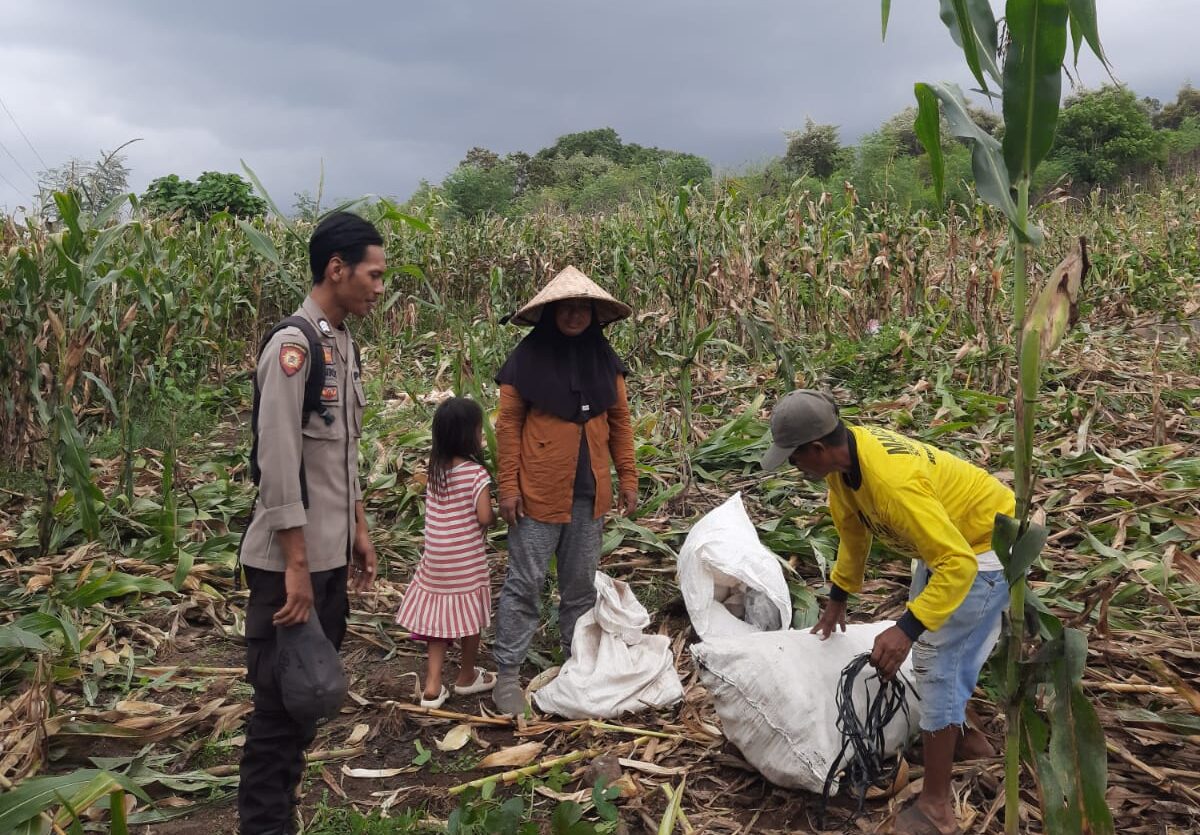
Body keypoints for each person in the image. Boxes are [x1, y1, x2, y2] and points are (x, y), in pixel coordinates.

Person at [761, 389, 1012, 835]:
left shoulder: (893, 483)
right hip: (946, 545)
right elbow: (853, 531)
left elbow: (959, 565)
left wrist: (906, 628)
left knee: (938, 663)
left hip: (983, 548)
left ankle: (937, 807)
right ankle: (965, 739)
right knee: (938, 656)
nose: (795, 468)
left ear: (817, 449)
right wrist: (839, 596)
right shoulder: (845, 463)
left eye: (795, 459)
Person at [237, 212, 385, 835]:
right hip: (288, 567)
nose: (380, 287)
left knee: (309, 697)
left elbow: (339, 453)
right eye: (373, 274)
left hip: (326, 557)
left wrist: (358, 528)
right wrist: (296, 566)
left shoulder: (341, 343)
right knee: (280, 709)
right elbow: (278, 464)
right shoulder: (292, 348)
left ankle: (281, 817)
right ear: (336, 269)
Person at [491, 266, 639, 717]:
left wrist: (628, 477)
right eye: (566, 309)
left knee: (579, 587)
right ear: (550, 313)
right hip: (536, 491)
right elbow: (508, 426)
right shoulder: (525, 361)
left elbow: (620, 423)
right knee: (525, 583)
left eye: (582, 309)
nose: (574, 316)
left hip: (589, 493)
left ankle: (577, 663)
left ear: (593, 314)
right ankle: (507, 674)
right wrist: (508, 487)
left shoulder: (604, 361)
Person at [395, 396, 497, 708]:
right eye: (479, 430)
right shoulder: (476, 474)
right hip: (465, 563)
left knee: (437, 621)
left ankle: (432, 684)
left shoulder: (435, 471)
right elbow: (484, 517)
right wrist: (496, 514)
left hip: (435, 562)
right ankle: (466, 676)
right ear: (469, 436)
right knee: (471, 616)